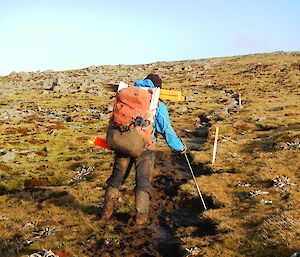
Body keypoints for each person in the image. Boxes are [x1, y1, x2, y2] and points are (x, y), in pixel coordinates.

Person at [102, 73, 186, 225]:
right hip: (145, 148)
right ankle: (140, 221)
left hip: (122, 142)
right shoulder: (155, 103)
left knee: (116, 179)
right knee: (142, 183)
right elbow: (166, 131)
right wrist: (180, 147)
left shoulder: (127, 96)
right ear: (158, 87)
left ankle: (105, 215)